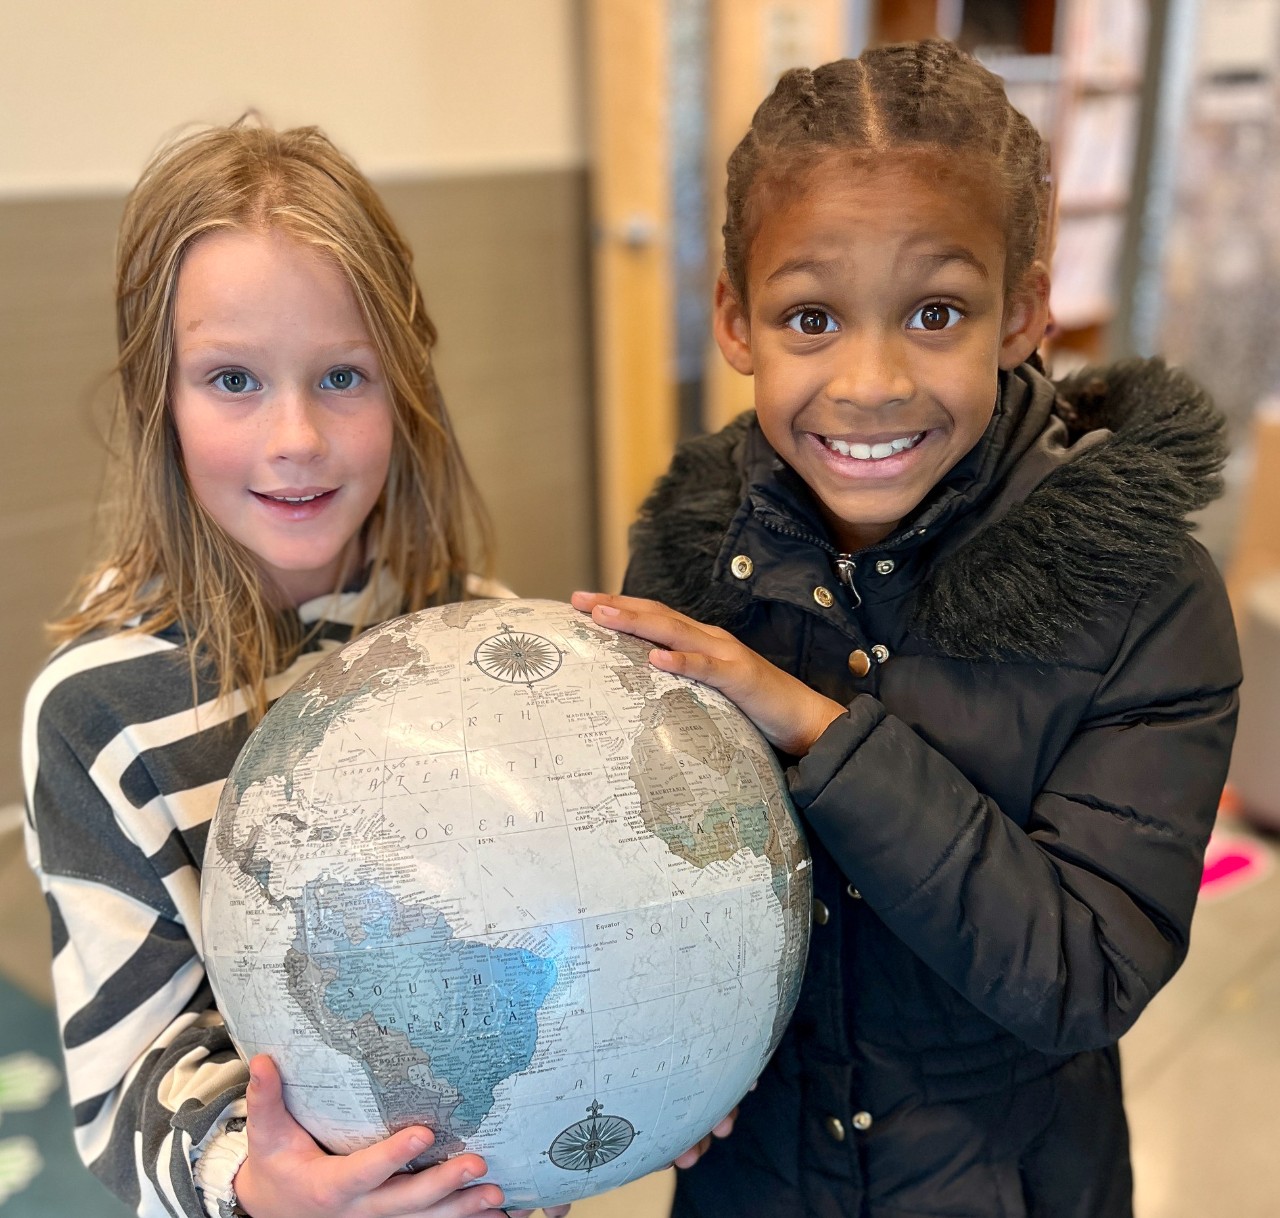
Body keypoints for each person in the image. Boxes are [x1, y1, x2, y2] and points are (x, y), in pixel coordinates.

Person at [573, 40, 1241, 1218]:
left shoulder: (1142, 590)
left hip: (1001, 1185)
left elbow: (1083, 971)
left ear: (1021, 310)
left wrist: (819, 732)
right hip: (755, 1182)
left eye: (934, 312)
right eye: (810, 316)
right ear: (735, 321)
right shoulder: (690, 555)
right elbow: (664, 892)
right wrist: (651, 1058)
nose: (870, 381)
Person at [21, 120, 570, 1218]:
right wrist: (256, 1183)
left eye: (340, 377)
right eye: (231, 379)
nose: (295, 439)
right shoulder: (100, 716)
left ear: (404, 386)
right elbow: (123, 1085)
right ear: (157, 400)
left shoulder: (482, 642)